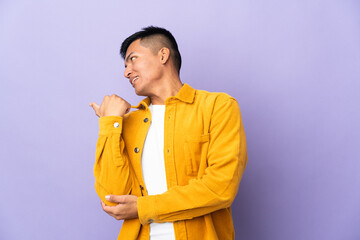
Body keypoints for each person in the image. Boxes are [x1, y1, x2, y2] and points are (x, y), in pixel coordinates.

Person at [89, 26, 247, 240]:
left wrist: (144, 207)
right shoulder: (126, 122)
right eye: (125, 65)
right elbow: (113, 200)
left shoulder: (217, 107)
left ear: (163, 55)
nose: (126, 72)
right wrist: (109, 123)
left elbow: (221, 187)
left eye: (133, 59)